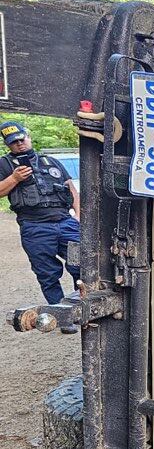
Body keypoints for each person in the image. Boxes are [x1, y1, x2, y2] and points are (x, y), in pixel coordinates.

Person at [0, 121, 81, 333]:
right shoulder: (5, 165)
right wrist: (14, 178)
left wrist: (79, 217)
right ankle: (63, 318)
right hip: (34, 227)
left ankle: (82, 309)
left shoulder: (50, 160)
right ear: (8, 145)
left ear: (28, 136)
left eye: (21, 139)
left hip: (65, 222)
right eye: (13, 142)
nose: (19, 144)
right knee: (48, 274)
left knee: (81, 265)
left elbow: (71, 190)